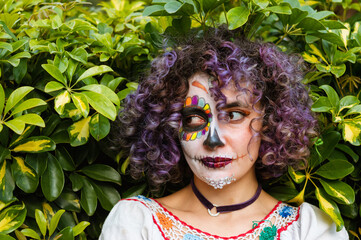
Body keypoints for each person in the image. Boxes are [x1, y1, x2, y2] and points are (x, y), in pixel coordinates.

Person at [99, 28, 349, 239]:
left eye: (234, 115)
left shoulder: (310, 230)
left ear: (270, 122)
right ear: (172, 128)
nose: (213, 139)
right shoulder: (136, 224)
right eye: (194, 119)